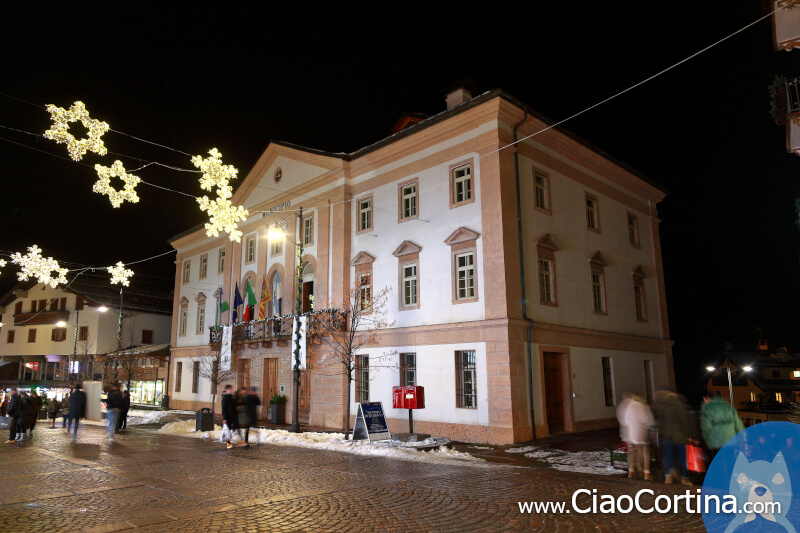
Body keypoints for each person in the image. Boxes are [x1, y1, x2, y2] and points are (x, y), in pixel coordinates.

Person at [653, 390, 693, 485]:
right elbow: (685, 422)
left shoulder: (661, 406)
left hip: (666, 436)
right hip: (680, 436)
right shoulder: (680, 406)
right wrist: (689, 436)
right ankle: (685, 478)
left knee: (667, 457)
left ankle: (668, 477)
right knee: (683, 458)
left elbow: (659, 421)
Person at [701, 395, 745, 461]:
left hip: (717, 442)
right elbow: (738, 423)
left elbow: (706, 428)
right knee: (731, 461)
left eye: (704, 400)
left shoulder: (707, 409)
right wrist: (743, 437)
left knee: (720, 462)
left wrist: (707, 441)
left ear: (707, 398)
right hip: (731, 440)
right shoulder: (728, 406)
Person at [624, 393, 655, 480]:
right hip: (642, 432)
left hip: (632, 433)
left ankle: (631, 471)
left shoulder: (629, 406)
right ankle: (646, 472)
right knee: (645, 451)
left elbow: (626, 420)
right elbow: (649, 420)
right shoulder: (643, 406)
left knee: (632, 451)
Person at [221, 384, 239, 449]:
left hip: (233, 416)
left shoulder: (231, 397)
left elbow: (234, 405)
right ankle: (228, 443)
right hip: (228, 417)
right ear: (226, 390)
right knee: (227, 431)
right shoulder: (225, 399)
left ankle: (236, 440)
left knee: (235, 427)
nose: (231, 390)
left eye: (231, 389)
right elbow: (224, 409)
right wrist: (225, 418)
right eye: (230, 389)